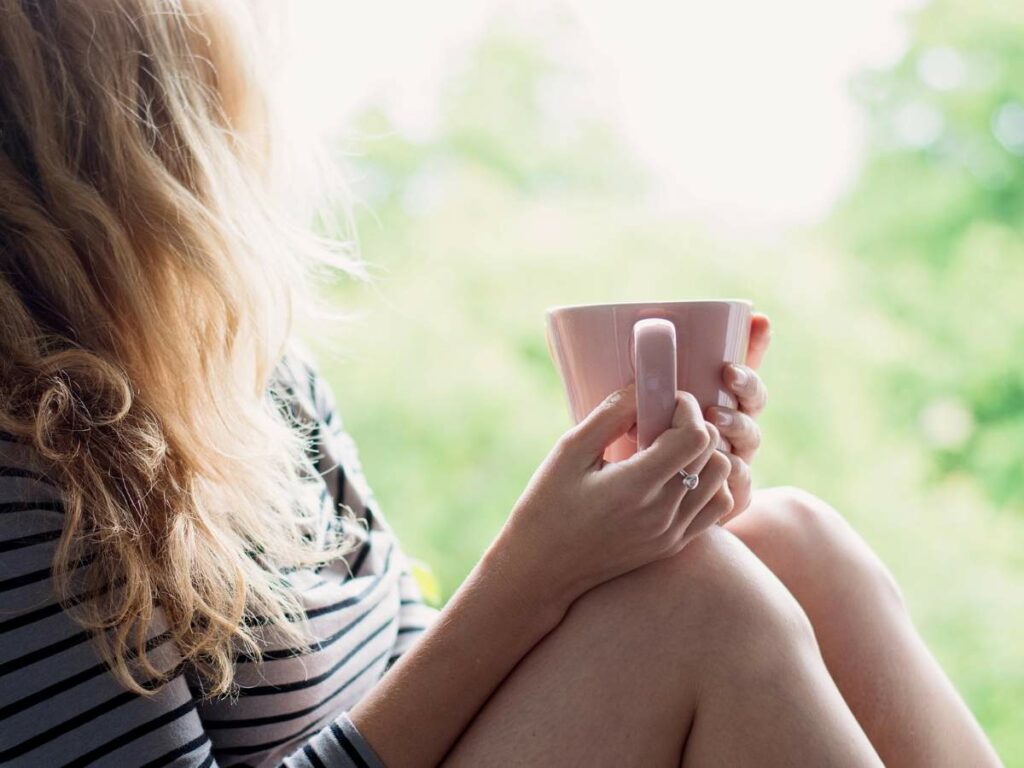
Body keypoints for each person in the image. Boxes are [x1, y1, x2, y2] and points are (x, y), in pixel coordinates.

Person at [0, 1, 1001, 766]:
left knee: (789, 538)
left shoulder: (254, 380)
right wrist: (534, 571)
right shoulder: (29, 472)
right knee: (702, 605)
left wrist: (617, 527)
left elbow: (418, 682)